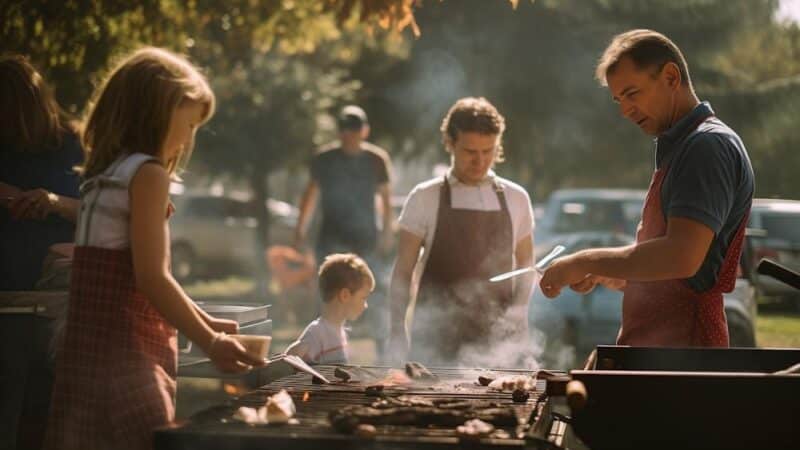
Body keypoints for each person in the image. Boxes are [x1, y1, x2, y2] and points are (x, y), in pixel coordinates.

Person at [44, 47, 264, 450]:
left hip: (88, 351)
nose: (189, 138)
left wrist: (208, 322)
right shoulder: (148, 174)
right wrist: (210, 342)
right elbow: (152, 277)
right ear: (157, 112)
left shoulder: (103, 174)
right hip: (126, 353)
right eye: (190, 124)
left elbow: (133, 269)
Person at [540, 29, 755, 348]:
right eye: (618, 100)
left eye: (632, 93)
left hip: (683, 354)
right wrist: (619, 275)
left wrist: (584, 261)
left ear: (670, 76)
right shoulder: (683, 146)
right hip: (657, 348)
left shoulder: (706, 146)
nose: (625, 111)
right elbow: (678, 274)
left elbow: (681, 256)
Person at [388, 97, 536, 367]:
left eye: (488, 151)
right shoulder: (424, 197)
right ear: (450, 143)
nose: (479, 161)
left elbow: (527, 264)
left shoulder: (517, 198)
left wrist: (519, 310)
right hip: (433, 337)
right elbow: (403, 271)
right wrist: (397, 329)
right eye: (470, 151)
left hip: (497, 339)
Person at [0, 54, 83, 450]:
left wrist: (51, 202)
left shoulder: (72, 144)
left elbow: (101, 211)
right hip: (7, 298)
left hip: (57, 301)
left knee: (45, 412)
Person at [294, 105, 394, 359]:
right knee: (329, 299)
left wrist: (386, 232)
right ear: (339, 132)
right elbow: (310, 194)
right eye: (345, 129)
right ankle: (323, 354)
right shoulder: (324, 159)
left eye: (354, 129)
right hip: (330, 238)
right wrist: (300, 228)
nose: (349, 134)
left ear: (364, 131)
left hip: (366, 239)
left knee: (375, 296)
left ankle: (382, 353)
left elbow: (385, 198)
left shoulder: (376, 160)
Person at [284, 253, 374, 365]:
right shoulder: (317, 333)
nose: (365, 305)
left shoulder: (340, 331)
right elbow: (288, 359)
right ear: (345, 295)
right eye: (363, 298)